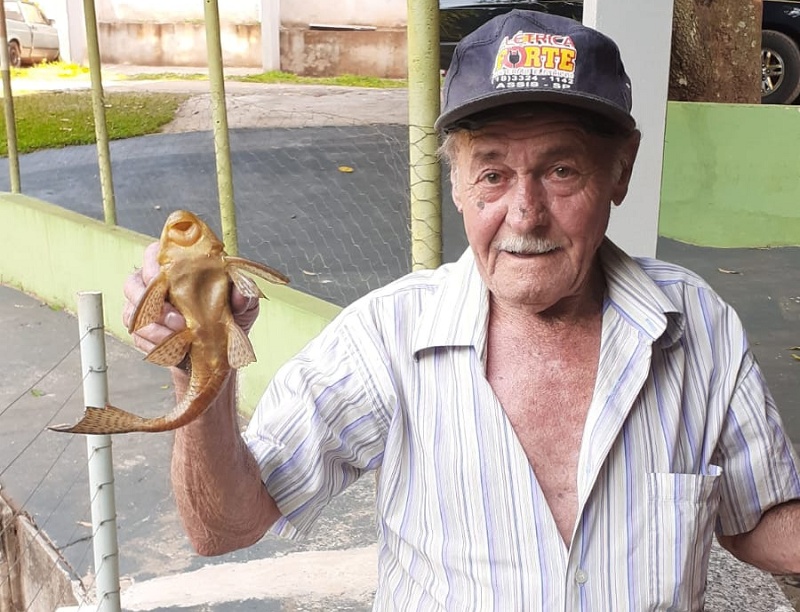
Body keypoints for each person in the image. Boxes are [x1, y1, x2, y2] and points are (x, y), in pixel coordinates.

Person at [123, 10, 800, 610]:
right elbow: (223, 527)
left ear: (619, 173)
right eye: (494, 173)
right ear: (455, 183)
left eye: (562, 170)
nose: (525, 214)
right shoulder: (388, 336)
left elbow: (753, 518)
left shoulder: (695, 324)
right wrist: (200, 371)